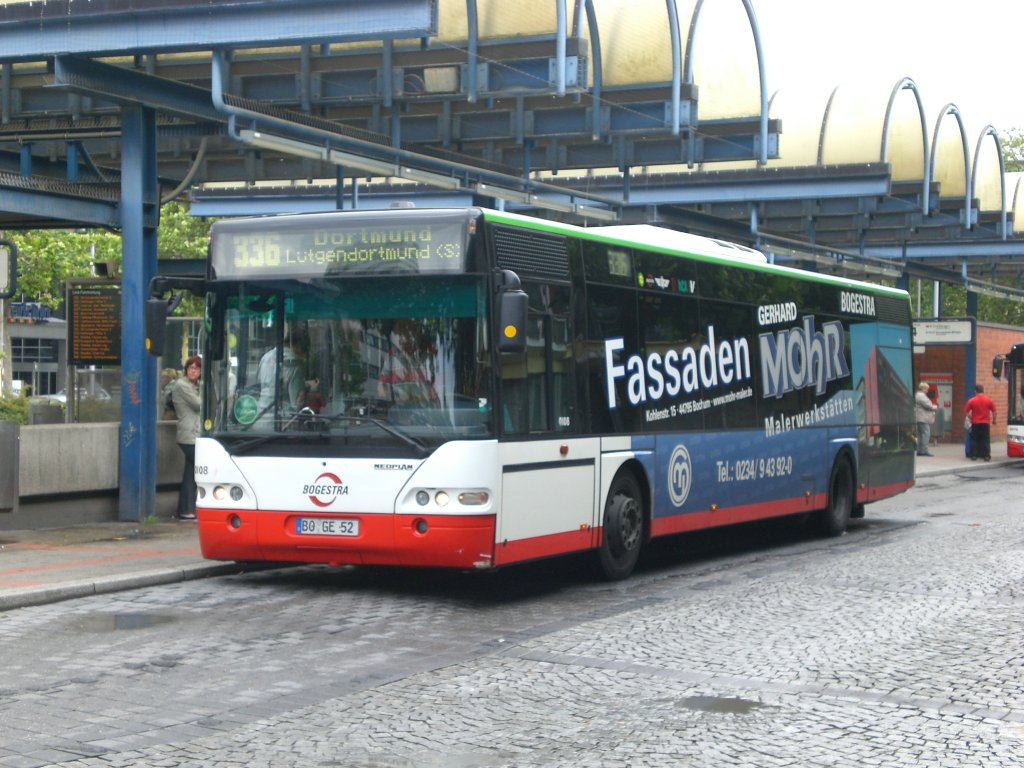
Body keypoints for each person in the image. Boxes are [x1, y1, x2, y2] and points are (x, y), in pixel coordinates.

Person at [170, 355, 202, 520]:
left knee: (190, 473)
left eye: (196, 368)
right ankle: (187, 508)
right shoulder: (183, 385)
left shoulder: (194, 385)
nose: (193, 371)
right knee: (199, 468)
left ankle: (186, 509)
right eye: (191, 368)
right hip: (188, 435)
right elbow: (199, 404)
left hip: (194, 434)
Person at [964, 384, 996, 462]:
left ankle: (974, 455)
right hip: (985, 423)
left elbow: (966, 411)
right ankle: (987, 456)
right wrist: (994, 420)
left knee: (974, 439)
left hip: (975, 423)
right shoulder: (989, 400)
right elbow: (994, 411)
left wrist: (970, 417)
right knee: (986, 439)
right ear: (983, 391)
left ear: (975, 391)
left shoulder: (972, 400)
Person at [914, 382, 937, 456]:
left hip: (919, 418)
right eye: (927, 389)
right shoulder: (921, 396)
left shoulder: (917, 395)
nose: (927, 390)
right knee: (926, 434)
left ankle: (919, 450)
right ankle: (924, 450)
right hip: (922, 418)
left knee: (920, 434)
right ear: (923, 388)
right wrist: (935, 407)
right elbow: (928, 406)